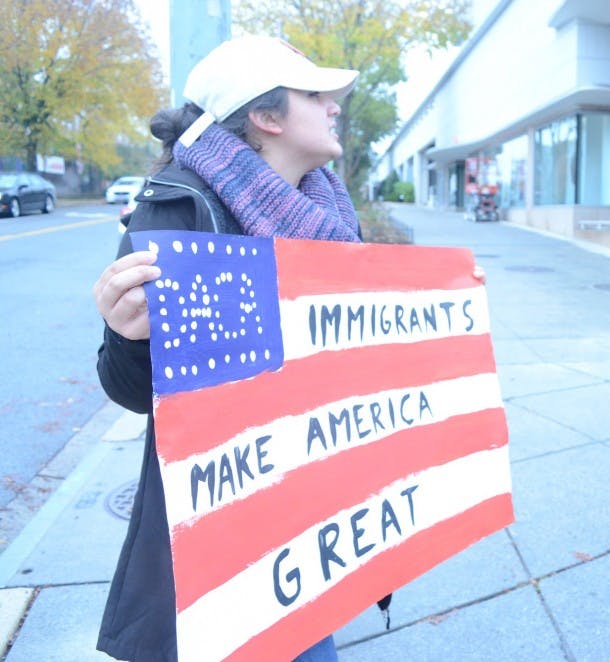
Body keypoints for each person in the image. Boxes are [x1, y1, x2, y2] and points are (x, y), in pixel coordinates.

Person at [92, 35, 362, 661]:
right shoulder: (176, 213)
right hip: (222, 535)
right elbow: (134, 393)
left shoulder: (326, 212)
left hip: (305, 514)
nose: (335, 106)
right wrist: (125, 336)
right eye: (317, 94)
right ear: (267, 118)